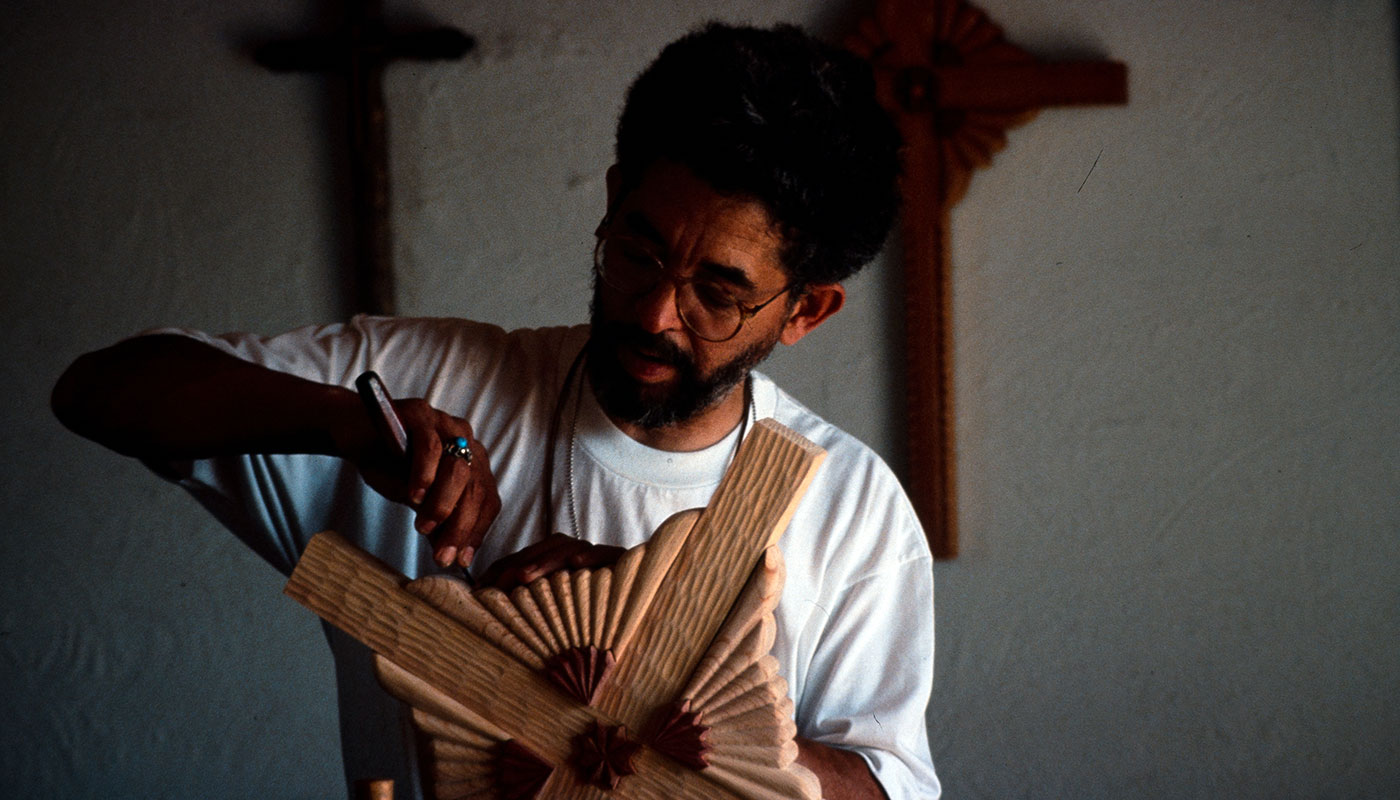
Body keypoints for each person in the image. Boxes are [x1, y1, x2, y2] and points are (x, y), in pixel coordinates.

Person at [52, 22, 939, 800]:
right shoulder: (424, 382)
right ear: (612, 195)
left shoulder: (848, 507)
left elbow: (886, 783)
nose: (655, 313)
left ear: (804, 311)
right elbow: (99, 390)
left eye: (717, 292)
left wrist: (685, 694)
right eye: (638, 250)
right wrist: (339, 424)